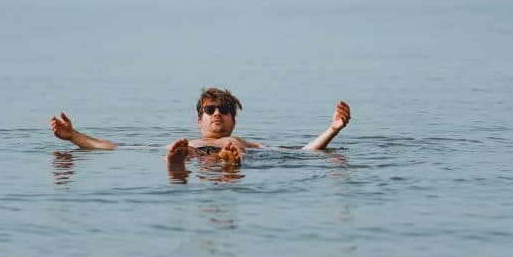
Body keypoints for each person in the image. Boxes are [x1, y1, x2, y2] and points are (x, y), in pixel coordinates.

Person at [49, 87, 351, 166]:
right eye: (210, 109)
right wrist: (73, 136)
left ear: (234, 119)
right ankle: (180, 167)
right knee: (180, 152)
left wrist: (333, 128)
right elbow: (115, 148)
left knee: (233, 154)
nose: (217, 113)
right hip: (194, 156)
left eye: (225, 109)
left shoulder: (248, 142)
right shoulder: (186, 142)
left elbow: (303, 153)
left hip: (235, 155)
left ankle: (224, 166)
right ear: (200, 119)